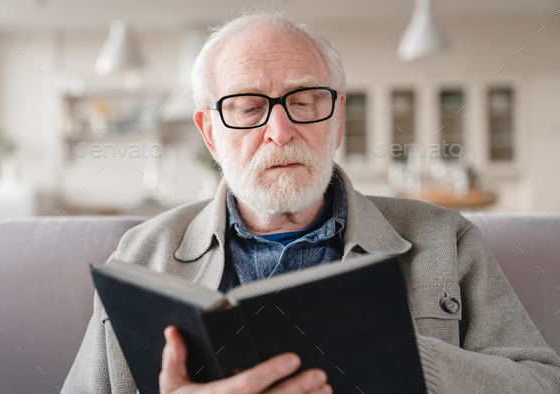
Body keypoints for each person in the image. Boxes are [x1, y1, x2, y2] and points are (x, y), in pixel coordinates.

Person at [62, 12, 560, 394]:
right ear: (210, 133)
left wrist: (398, 356)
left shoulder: (445, 239)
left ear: (337, 118)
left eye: (304, 102)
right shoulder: (140, 255)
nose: (280, 132)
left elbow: (542, 382)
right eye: (249, 107)